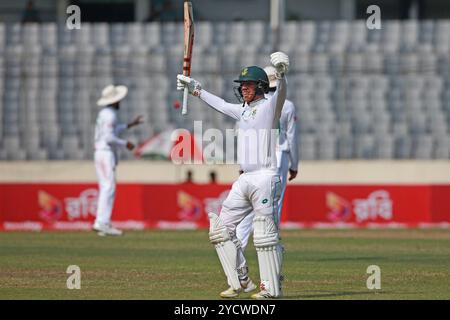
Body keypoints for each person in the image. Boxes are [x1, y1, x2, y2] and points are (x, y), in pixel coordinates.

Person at [177, 51, 290, 299]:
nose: (244, 89)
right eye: (242, 85)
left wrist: (281, 75)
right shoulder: (244, 111)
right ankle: (242, 280)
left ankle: (271, 289)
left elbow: (280, 95)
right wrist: (196, 89)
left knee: (265, 234)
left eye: (249, 85)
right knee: (220, 229)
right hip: (244, 178)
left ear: (261, 86)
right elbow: (220, 104)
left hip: (265, 176)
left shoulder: (270, 108)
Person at [234, 65, 299, 289]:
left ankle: (240, 267)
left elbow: (241, 133)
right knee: (271, 217)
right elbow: (291, 137)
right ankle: (272, 273)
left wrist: (242, 164)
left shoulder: (249, 106)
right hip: (275, 160)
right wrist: (295, 164)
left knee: (248, 218)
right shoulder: (285, 104)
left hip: (256, 164)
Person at [93, 85, 144, 236]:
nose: (120, 102)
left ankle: (102, 223)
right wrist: (125, 143)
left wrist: (130, 125)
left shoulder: (104, 113)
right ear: (114, 101)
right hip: (105, 152)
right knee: (108, 187)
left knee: (106, 187)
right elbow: (108, 137)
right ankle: (102, 222)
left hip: (100, 152)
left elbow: (113, 130)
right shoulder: (110, 115)